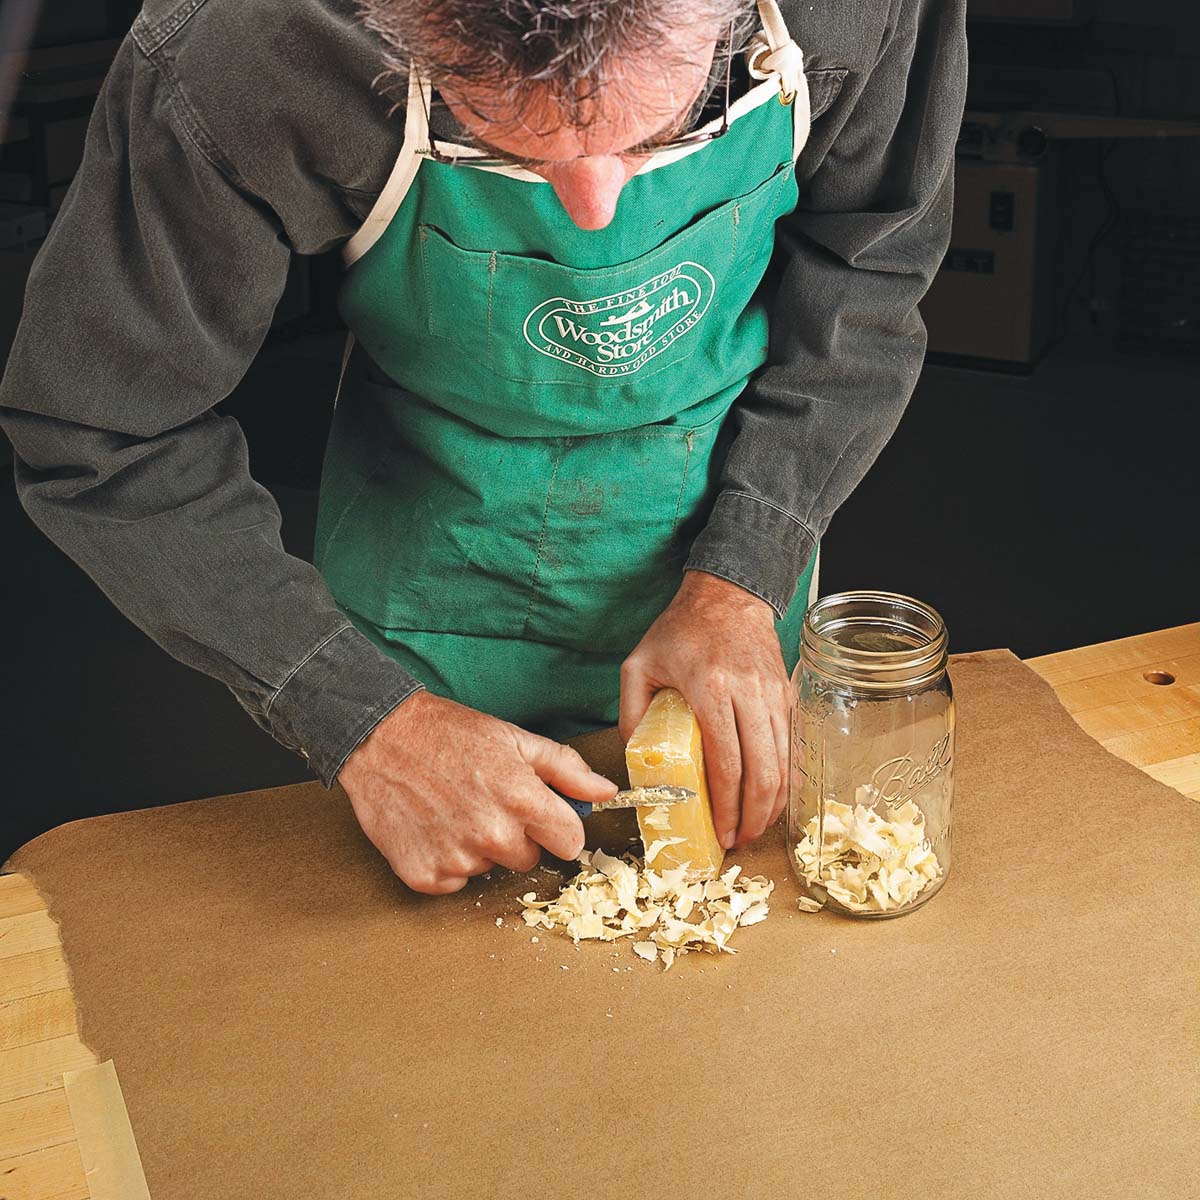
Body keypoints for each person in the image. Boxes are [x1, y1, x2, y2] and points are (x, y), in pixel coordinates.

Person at [0, 0, 967, 893]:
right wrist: (363, 721)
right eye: (500, 138)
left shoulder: (857, 12)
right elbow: (103, 431)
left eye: (665, 127)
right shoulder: (251, 49)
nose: (591, 204)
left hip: (724, 522)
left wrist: (745, 572)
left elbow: (870, 266)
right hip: (432, 579)